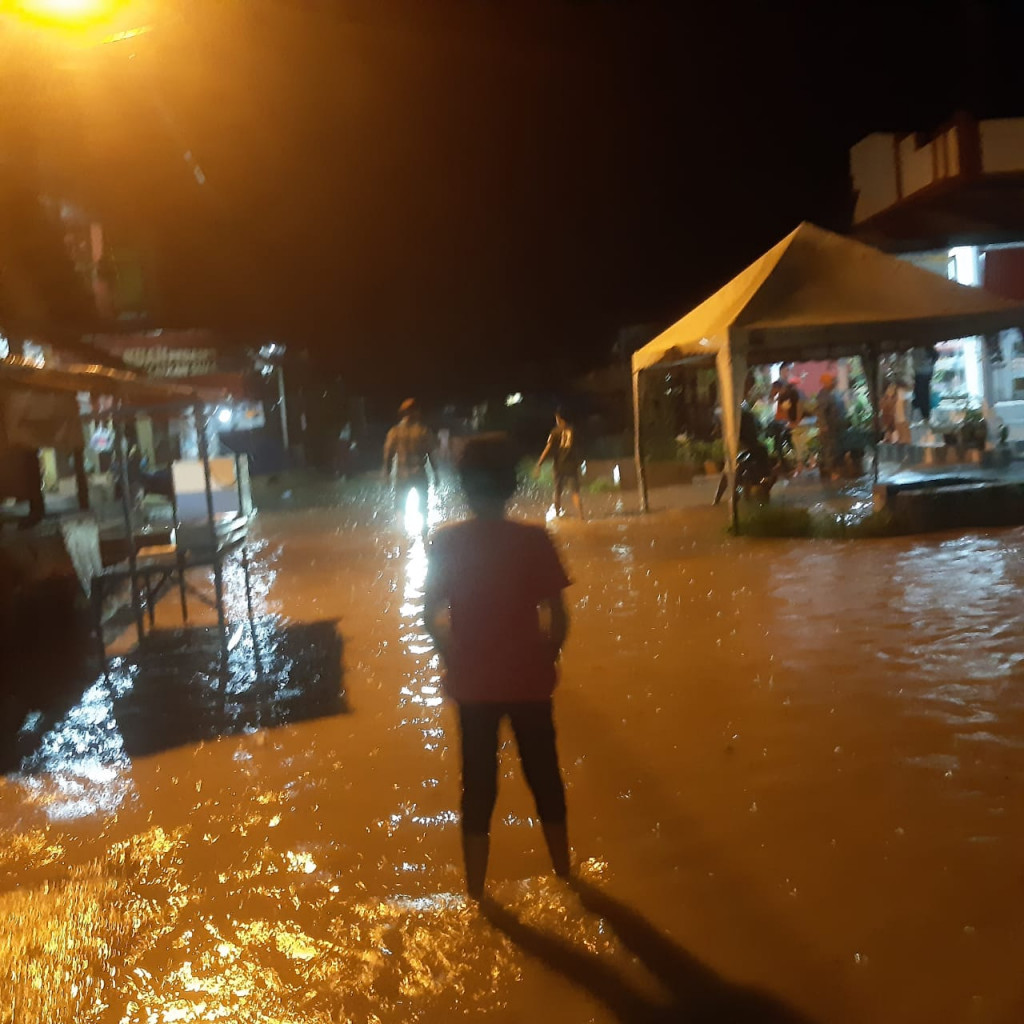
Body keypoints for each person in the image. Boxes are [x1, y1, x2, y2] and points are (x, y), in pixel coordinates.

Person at [424, 434, 572, 901]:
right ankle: (567, 876)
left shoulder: (446, 542)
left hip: (473, 685)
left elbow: (430, 615)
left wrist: (452, 658)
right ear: (510, 485)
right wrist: (546, 658)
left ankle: (476, 894)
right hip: (530, 682)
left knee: (478, 786)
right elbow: (558, 617)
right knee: (545, 776)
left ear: (465, 487)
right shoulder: (534, 540)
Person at [383, 398, 437, 523]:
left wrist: (387, 474)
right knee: (423, 506)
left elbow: (388, 455)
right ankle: (424, 531)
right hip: (419, 474)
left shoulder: (394, 432)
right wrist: (436, 473)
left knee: (400, 507)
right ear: (416, 412)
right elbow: (431, 454)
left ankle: (402, 532)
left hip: (402, 475)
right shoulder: (423, 431)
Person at [535, 409, 584, 519]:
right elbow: (579, 447)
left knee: (557, 492)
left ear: (559, 418)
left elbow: (548, 448)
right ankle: (581, 516)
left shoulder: (555, 432)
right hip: (571, 465)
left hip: (559, 465)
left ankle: (557, 515)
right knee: (575, 492)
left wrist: (539, 463)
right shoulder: (573, 430)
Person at [815, 374, 845, 479]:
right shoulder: (824, 395)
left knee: (830, 448)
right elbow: (820, 411)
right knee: (829, 449)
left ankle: (827, 470)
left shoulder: (832, 394)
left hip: (833, 426)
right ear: (825, 383)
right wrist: (823, 425)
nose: (834, 383)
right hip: (827, 427)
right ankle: (830, 471)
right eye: (831, 381)